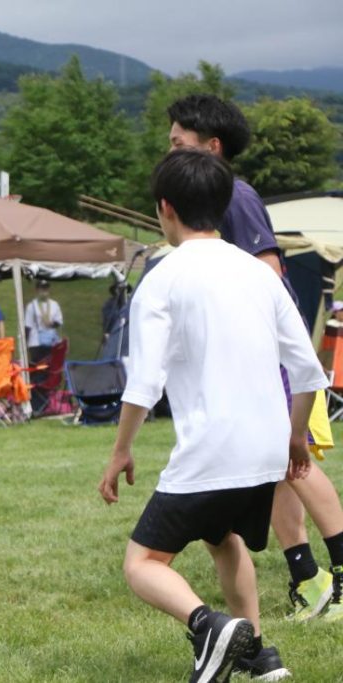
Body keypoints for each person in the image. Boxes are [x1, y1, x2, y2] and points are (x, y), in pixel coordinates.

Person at [99, 149, 327, 682]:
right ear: (224, 207)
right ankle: (261, 656)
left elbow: (145, 381)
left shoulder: (162, 277)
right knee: (223, 538)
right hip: (268, 447)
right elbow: (309, 368)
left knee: (143, 564)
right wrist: (295, 439)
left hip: (212, 450)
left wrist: (120, 452)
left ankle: (208, 625)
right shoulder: (260, 273)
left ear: (165, 209)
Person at [170, 93, 343, 627]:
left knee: (296, 464)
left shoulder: (236, 196)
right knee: (275, 473)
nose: (170, 153)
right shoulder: (210, 198)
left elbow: (269, 273)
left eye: (179, 144)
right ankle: (309, 581)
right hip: (245, 364)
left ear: (211, 146)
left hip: (272, 363)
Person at [24, 280, 63, 361]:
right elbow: (28, 326)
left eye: (46, 288)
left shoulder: (54, 304)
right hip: (35, 343)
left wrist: (51, 324)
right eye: (42, 288)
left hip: (51, 342)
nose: (44, 291)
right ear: (37, 290)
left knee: (50, 368)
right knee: (38, 368)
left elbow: (59, 321)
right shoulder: (32, 306)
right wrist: (25, 344)